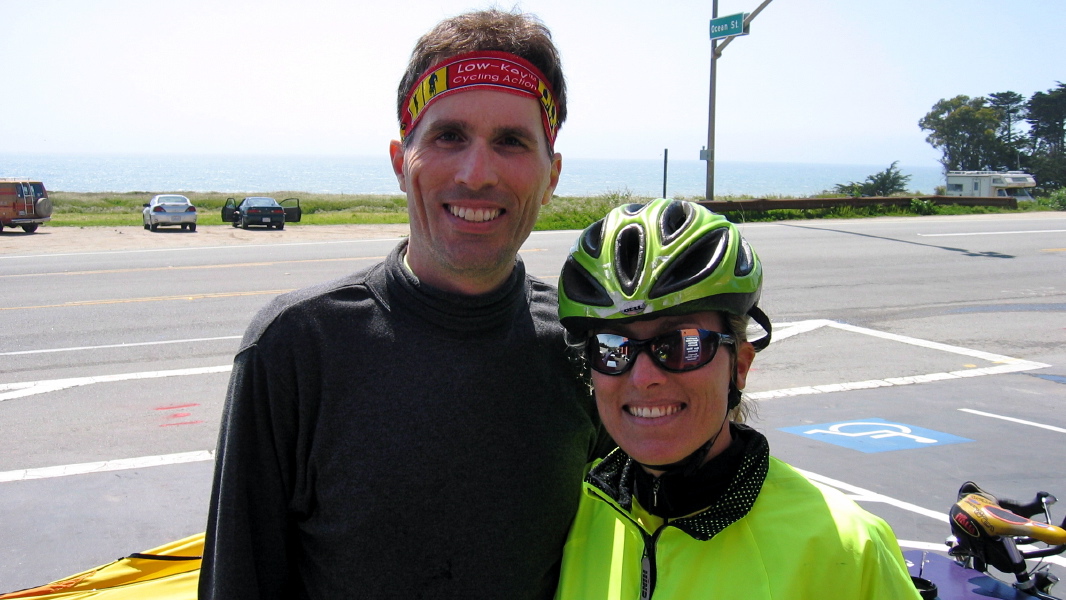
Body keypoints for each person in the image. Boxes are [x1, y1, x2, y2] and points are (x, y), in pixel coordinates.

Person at [199, 9, 610, 599]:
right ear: (400, 161)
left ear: (552, 176)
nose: (476, 173)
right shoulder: (296, 347)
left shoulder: (586, 349)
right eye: (449, 136)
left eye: (512, 142)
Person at [554, 198, 921, 599]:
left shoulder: (848, 546)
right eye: (613, 347)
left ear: (740, 366)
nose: (643, 378)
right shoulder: (571, 510)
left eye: (682, 344)